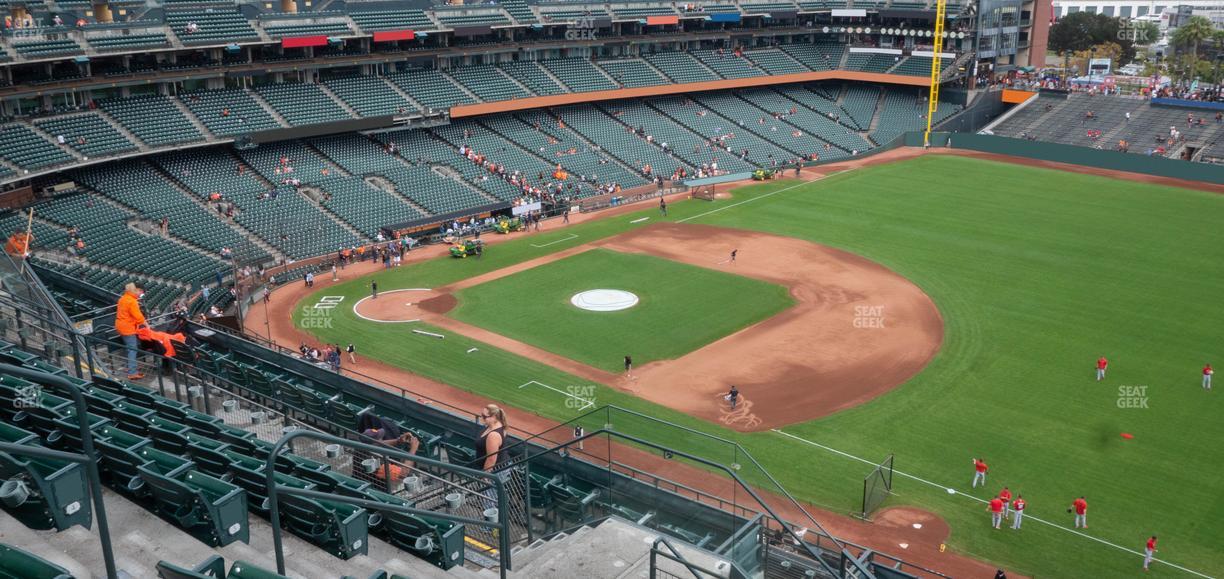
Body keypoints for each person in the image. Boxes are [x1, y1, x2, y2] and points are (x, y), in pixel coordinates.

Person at [115, 283, 147, 380]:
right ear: (137, 290)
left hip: (120, 325)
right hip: (127, 327)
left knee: (129, 347)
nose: (141, 294)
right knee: (133, 349)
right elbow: (138, 316)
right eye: (141, 292)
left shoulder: (123, 298)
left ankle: (128, 367)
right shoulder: (132, 301)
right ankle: (132, 373)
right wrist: (147, 325)